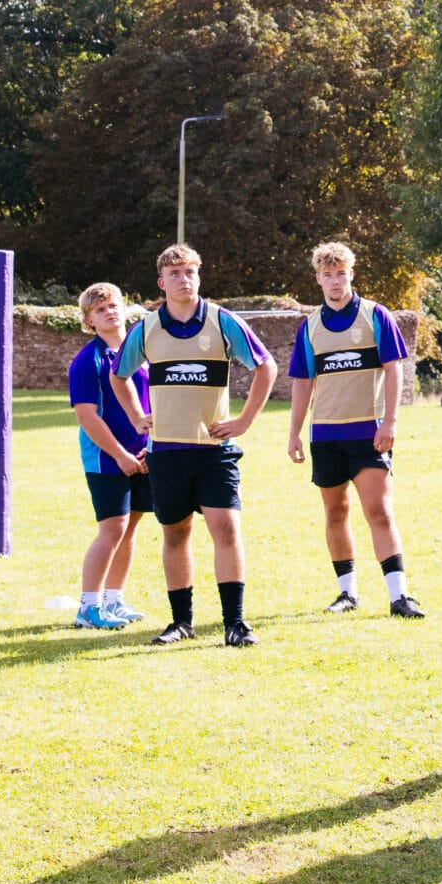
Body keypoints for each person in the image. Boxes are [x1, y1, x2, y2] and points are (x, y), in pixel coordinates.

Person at [114, 243, 275, 648]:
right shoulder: (147, 328)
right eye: (175, 274)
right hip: (166, 451)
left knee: (226, 528)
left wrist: (244, 421)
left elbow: (265, 366)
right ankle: (181, 622)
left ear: (198, 277)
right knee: (175, 535)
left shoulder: (222, 322)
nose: (184, 280)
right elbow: (119, 375)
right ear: (161, 282)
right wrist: (137, 416)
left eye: (190, 273)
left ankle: (235, 623)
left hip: (213, 451)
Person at [286, 241, 424, 619]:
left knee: (379, 510)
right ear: (318, 279)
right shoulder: (310, 327)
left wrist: (391, 421)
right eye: (327, 275)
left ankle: (400, 596)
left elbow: (394, 369)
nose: (335, 281)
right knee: (335, 512)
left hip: (369, 433)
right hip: (326, 435)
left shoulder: (375, 315)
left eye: (341, 273)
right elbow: (302, 382)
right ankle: (347, 593)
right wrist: (294, 432)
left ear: (351, 274)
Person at [67, 282, 152, 630]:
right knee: (112, 528)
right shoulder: (88, 361)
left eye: (114, 305)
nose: (110, 312)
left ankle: (114, 600)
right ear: (89, 321)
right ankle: (88, 606)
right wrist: (119, 455)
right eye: (100, 310)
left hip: (143, 454)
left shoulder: (140, 354)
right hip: (107, 459)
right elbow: (87, 416)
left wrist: (151, 444)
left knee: (130, 527)